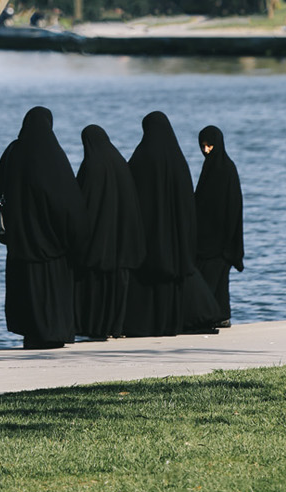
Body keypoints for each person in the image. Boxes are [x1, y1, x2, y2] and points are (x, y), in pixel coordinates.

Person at [0, 106, 88, 348]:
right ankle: (55, 334)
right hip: (53, 245)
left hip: (21, 242)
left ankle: (31, 335)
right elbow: (68, 202)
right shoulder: (54, 156)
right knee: (53, 293)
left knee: (27, 293)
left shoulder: (13, 152)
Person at [124, 111, 219, 336]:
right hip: (175, 239)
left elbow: (132, 199)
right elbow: (187, 203)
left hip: (148, 237)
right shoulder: (178, 161)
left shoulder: (140, 158)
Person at [74, 124, 146, 339]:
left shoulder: (90, 166)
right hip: (122, 242)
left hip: (98, 244)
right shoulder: (120, 164)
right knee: (119, 287)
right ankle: (116, 327)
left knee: (97, 289)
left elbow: (83, 203)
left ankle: (98, 329)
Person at [195, 125, 244, 326]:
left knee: (213, 282)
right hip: (208, 240)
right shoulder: (211, 168)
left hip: (220, 241)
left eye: (210, 146)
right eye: (203, 146)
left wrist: (228, 241)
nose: (206, 150)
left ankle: (213, 317)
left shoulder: (225, 169)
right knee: (218, 283)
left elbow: (232, 208)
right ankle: (220, 316)